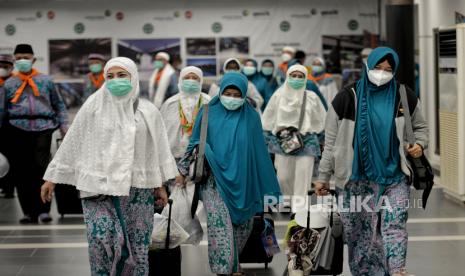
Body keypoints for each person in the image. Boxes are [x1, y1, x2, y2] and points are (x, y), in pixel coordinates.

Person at [41, 57, 178, 276]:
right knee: (101, 243)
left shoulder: (148, 111)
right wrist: (52, 178)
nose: (115, 81)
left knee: (137, 246)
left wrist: (159, 185)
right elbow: (73, 141)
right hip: (99, 190)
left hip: (137, 189)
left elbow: (156, 150)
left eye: (122, 75)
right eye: (110, 76)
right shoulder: (94, 106)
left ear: (132, 76)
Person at [315, 47, 428, 276]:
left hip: (395, 176)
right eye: (378, 67)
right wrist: (323, 177)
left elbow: (420, 128)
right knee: (360, 235)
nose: (382, 73)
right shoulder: (346, 98)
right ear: (368, 67)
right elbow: (331, 142)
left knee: (394, 225)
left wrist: (420, 144)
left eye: (388, 69)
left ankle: (397, 270)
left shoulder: (404, 96)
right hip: (355, 179)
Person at [177, 72, 281, 275]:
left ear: (243, 95)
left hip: (245, 181)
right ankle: (224, 270)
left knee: (243, 226)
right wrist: (182, 170)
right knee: (220, 227)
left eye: (236, 94)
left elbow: (259, 151)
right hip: (214, 180)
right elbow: (194, 141)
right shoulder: (207, 112)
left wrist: (267, 187)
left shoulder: (250, 116)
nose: (232, 98)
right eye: (228, 92)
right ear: (221, 91)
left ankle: (233, 264)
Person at [1, 44, 69, 224]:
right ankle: (28, 212)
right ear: (14, 61)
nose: (23, 60)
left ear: (33, 59)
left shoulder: (46, 81)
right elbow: (2, 110)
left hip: (44, 127)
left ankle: (43, 210)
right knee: (21, 171)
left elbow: (59, 105)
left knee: (41, 168)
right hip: (17, 128)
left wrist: (65, 128)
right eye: (19, 58)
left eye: (26, 57)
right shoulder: (9, 83)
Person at [262, 64, 326, 212]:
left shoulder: (311, 97)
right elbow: (267, 120)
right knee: (283, 177)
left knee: (303, 177)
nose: (296, 79)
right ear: (288, 76)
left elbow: (322, 119)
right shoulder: (278, 95)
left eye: (300, 76)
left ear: (305, 79)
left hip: (307, 141)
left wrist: (322, 138)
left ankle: (299, 208)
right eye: (293, 76)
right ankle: (288, 201)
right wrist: (268, 140)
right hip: (283, 142)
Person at [160, 66, 211, 160]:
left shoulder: (208, 102)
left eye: (195, 78)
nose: (191, 81)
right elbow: (161, 131)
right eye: (187, 78)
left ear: (200, 80)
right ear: (180, 80)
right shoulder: (170, 103)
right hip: (173, 156)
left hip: (201, 157)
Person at [0, 54, 15, 198]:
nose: (2, 69)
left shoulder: (16, 82)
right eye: (0, 66)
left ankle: (9, 188)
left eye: (6, 67)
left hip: (11, 125)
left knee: (11, 157)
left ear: (11, 67)